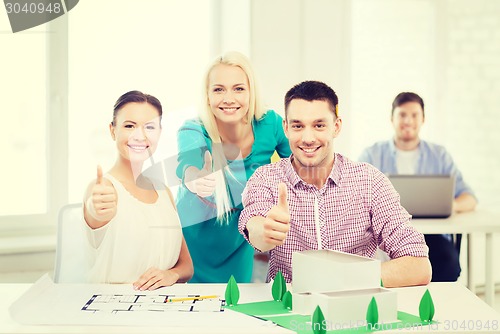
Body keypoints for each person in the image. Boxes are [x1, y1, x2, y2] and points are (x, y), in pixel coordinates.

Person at [238, 81, 431, 288]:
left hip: (356, 308)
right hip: (288, 310)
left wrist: (342, 279)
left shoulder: (370, 182)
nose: (308, 138)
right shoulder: (266, 178)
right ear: (286, 128)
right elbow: (254, 223)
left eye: (319, 125)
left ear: (336, 126)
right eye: (297, 126)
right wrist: (265, 232)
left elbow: (418, 266)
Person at [175, 51, 291, 283]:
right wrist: (196, 179)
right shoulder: (192, 130)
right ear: (207, 96)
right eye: (218, 89)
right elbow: (188, 165)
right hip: (189, 246)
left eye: (238, 89)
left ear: (251, 92)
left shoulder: (271, 124)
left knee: (234, 309)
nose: (229, 98)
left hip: (237, 244)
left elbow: (298, 163)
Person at [358, 92, 477, 282]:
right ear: (392, 118)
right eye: (402, 115)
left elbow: (469, 197)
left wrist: (448, 206)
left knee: (448, 264)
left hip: (433, 235)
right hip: (387, 237)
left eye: (414, 115)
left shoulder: (439, 155)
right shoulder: (371, 155)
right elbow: (357, 195)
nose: (408, 121)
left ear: (423, 119)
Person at [83, 90, 193, 290]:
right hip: (111, 310)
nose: (139, 136)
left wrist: (171, 274)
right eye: (129, 126)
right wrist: (94, 208)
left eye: (149, 127)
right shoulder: (102, 188)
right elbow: (95, 210)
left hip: (163, 309)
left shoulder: (164, 191)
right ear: (112, 130)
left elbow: (187, 265)